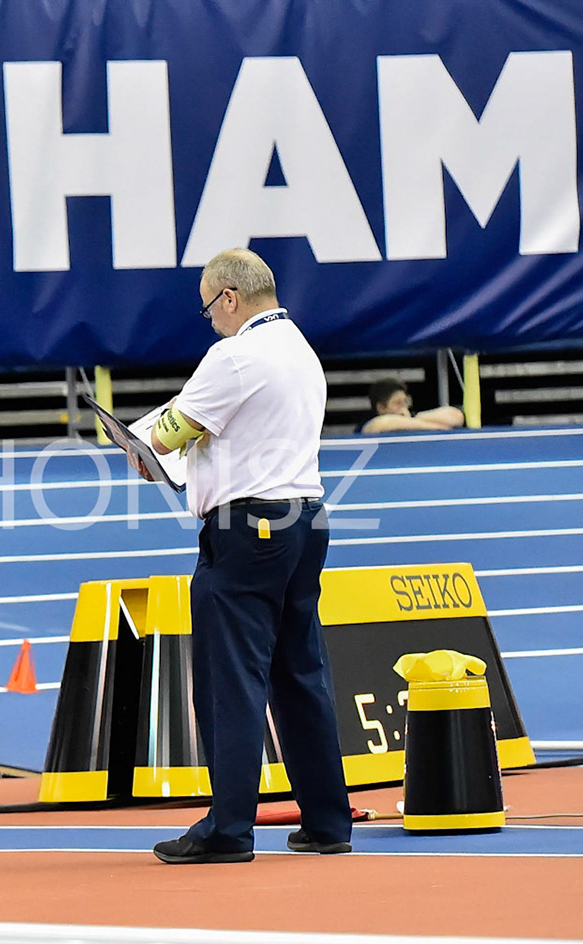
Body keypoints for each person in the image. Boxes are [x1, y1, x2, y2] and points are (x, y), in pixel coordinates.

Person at [135, 248, 352, 864]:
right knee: (300, 673)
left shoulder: (233, 355)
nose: (209, 320)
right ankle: (328, 819)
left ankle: (228, 829)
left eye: (209, 307)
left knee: (231, 680)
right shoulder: (300, 349)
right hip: (305, 519)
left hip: (247, 528)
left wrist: (142, 447)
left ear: (229, 297)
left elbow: (167, 436)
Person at [357, 377, 464, 434]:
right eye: (397, 403)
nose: (404, 407)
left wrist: (416, 418)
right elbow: (383, 423)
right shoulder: (368, 425)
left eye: (405, 401)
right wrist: (438, 427)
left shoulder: (412, 418)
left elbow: (455, 416)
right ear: (381, 408)